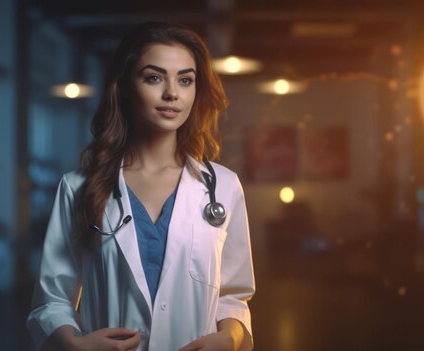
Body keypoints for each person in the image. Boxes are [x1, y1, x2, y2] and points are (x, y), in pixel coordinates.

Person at [27, 21, 255, 351]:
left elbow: (233, 295)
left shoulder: (222, 187)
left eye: (185, 80)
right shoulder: (79, 188)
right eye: (154, 77)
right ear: (124, 86)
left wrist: (229, 339)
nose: (172, 93)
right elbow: (52, 300)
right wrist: (73, 345)